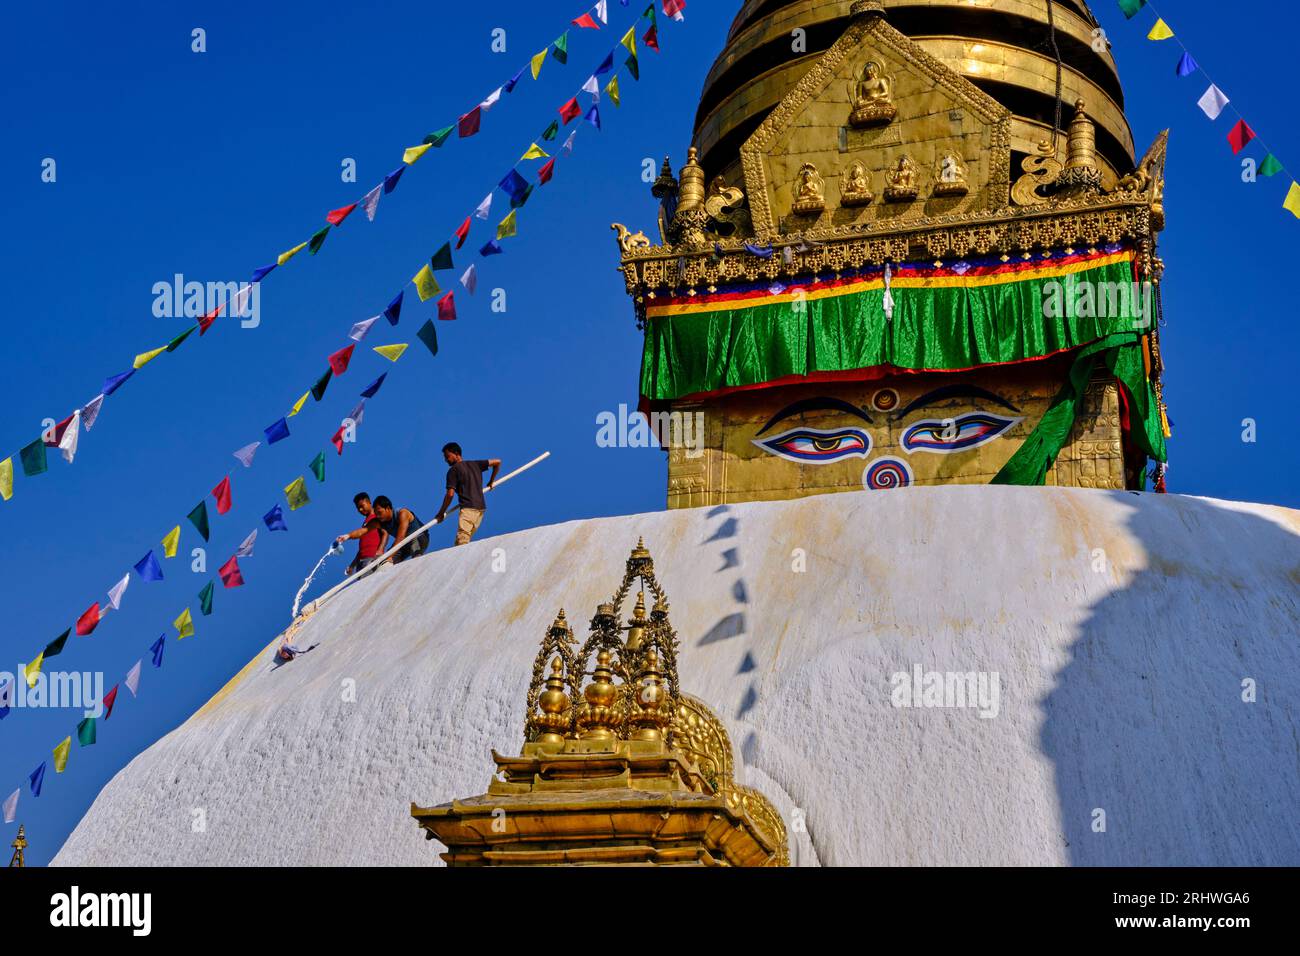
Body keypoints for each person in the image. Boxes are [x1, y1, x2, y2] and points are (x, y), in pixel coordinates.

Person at [435, 442, 501, 546]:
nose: (446, 460)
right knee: (460, 542)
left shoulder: (453, 470)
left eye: (447, 456)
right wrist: (491, 481)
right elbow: (497, 462)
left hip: (468, 508)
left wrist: (441, 513)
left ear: (456, 453)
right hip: (480, 510)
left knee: (462, 539)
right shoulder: (475, 464)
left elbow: (450, 495)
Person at [336, 492, 387, 576]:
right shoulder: (365, 524)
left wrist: (380, 550)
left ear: (369, 502)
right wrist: (352, 565)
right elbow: (362, 550)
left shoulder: (376, 517)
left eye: (362, 506)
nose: (360, 510)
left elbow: (385, 533)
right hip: (360, 564)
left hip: (372, 559)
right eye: (358, 508)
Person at [372, 495, 429, 563]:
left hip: (418, 537)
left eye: (379, 512)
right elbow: (361, 531)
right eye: (376, 514)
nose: (378, 516)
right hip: (404, 543)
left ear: (387, 508)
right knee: (384, 562)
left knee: (416, 557)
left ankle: (418, 562)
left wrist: (389, 556)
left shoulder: (402, 513)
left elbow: (400, 537)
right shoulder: (380, 522)